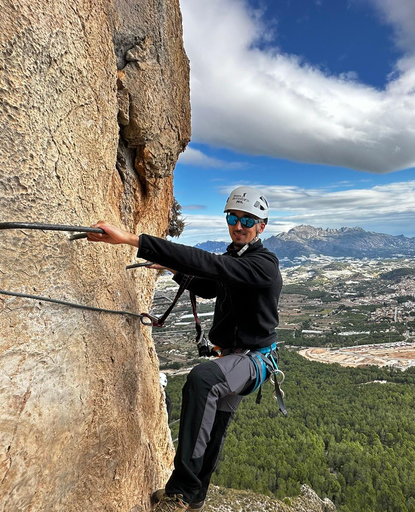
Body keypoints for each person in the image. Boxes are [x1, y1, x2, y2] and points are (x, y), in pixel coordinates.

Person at [87, 186, 282, 512]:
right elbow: (208, 285)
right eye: (233, 217)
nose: (238, 225)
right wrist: (171, 269)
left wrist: (132, 240)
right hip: (234, 357)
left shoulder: (264, 264)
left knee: (203, 380)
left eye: (247, 220)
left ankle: (179, 492)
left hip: (252, 359)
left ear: (262, 226)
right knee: (212, 429)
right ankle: (195, 499)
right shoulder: (237, 258)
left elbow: (210, 265)